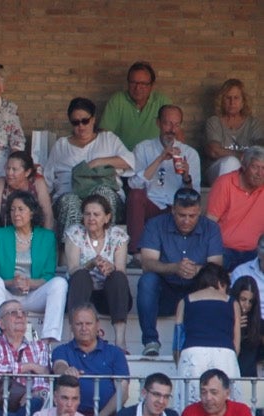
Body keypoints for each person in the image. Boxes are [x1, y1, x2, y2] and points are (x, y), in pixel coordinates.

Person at [137, 188, 224, 356]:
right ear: (173, 210)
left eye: (192, 216)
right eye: (181, 215)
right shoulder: (156, 224)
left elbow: (216, 266)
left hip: (196, 290)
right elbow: (147, 263)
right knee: (147, 280)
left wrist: (196, 269)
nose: (186, 221)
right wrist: (174, 268)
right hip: (165, 293)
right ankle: (150, 341)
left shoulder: (211, 228)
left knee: (213, 280)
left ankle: (205, 341)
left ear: (199, 212)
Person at [0, 190, 68, 342]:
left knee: (60, 283)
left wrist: (29, 283)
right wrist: (12, 283)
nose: (16, 214)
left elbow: (48, 275)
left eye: (21, 209)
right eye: (12, 210)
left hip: (32, 296)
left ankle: (48, 337)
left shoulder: (47, 237)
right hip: (4, 296)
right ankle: (0, 334)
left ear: (32, 212)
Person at [45, 97, 134, 236]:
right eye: (76, 122)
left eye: (85, 121)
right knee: (70, 202)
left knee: (102, 194)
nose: (81, 126)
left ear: (93, 119)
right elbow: (47, 180)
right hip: (69, 195)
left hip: (104, 193)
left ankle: (107, 247)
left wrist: (99, 162)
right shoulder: (61, 145)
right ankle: (71, 251)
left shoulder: (108, 139)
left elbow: (130, 162)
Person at [63, 199, 132, 349]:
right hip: (81, 294)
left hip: (109, 297)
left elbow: (121, 270)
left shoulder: (117, 235)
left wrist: (110, 267)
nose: (91, 218)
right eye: (87, 214)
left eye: (96, 214)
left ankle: (120, 342)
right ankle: (72, 339)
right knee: (81, 275)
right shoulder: (75, 233)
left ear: (107, 217)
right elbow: (73, 269)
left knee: (118, 277)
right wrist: (91, 263)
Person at [128, 105, 201, 243]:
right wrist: (159, 159)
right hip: (151, 204)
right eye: (167, 123)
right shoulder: (143, 148)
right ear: (158, 123)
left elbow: (194, 196)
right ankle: (135, 250)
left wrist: (186, 177)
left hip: (175, 209)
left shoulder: (190, 153)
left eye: (176, 125)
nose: (172, 130)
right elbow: (134, 184)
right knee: (135, 195)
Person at [52, 305, 130, 416]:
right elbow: (59, 366)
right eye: (79, 324)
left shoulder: (115, 352)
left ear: (97, 325)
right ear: (71, 326)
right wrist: (66, 371)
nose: (84, 328)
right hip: (70, 415)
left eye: (88, 323)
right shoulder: (62, 350)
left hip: (108, 415)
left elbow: (123, 391)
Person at [175, 269, 242, 407]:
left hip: (192, 353)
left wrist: (179, 360)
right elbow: (236, 342)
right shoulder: (232, 302)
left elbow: (177, 339)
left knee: (189, 404)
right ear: (220, 283)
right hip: (225, 354)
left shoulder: (185, 301)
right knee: (226, 404)